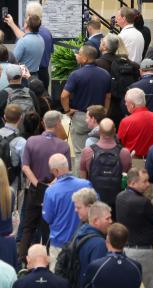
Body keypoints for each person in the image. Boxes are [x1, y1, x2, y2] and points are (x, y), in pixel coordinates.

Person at [17, 110, 70, 262]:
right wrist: (50, 185)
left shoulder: (31, 141)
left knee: (28, 227)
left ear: (43, 123)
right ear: (59, 124)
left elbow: (25, 166)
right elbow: (65, 171)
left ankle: (23, 259)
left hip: (34, 190)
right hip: (54, 191)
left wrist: (37, 184)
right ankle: (46, 261)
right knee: (48, 229)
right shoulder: (63, 146)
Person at [62, 45, 112, 166]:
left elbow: (64, 96)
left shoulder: (76, 75)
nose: (76, 56)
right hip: (99, 117)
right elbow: (108, 96)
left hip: (80, 116)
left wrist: (67, 110)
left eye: (79, 53)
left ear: (84, 59)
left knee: (80, 153)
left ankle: (81, 182)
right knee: (98, 151)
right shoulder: (105, 74)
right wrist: (104, 111)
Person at [42, 154, 93, 265]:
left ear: (55, 171)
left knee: (58, 279)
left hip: (59, 244)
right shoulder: (86, 185)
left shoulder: (51, 191)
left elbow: (47, 218)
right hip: (83, 242)